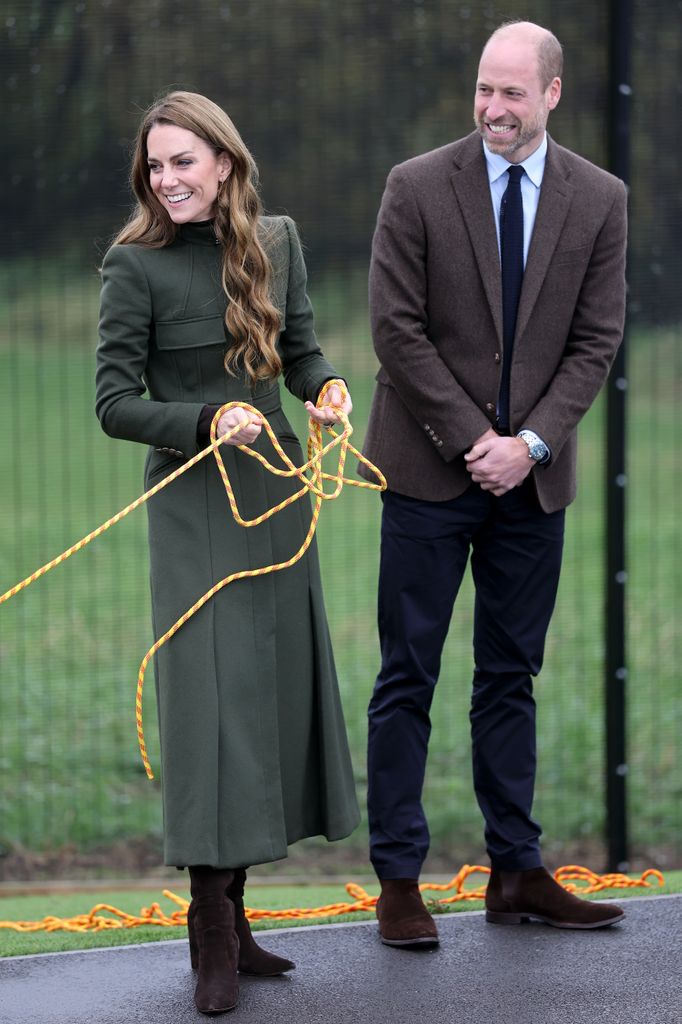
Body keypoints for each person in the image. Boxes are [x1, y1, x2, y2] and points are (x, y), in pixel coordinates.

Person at [359, 21, 627, 947]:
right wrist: (478, 437)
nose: (494, 110)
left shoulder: (600, 199)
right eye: (485, 90)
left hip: (533, 486)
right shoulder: (418, 186)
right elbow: (395, 330)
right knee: (408, 676)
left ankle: (515, 870)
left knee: (511, 677)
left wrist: (533, 446)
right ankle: (398, 881)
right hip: (429, 472)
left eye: (513, 93)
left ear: (553, 94)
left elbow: (596, 341)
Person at [96, 91, 359, 1013]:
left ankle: (241, 916)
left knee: (269, 699)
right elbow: (112, 404)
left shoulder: (276, 241)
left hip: (279, 492)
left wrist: (324, 390)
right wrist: (207, 417)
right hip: (193, 501)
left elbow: (303, 351)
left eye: (182, 162)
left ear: (225, 163)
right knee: (211, 706)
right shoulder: (133, 266)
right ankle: (207, 921)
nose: (166, 179)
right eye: (155, 166)